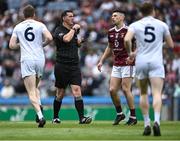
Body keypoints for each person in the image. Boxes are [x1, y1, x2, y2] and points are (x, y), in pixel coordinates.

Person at [124, 2, 174, 136]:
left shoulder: (135, 25)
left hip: (141, 62)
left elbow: (127, 40)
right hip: (156, 62)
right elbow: (170, 45)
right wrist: (158, 44)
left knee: (143, 93)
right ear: (153, 11)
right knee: (157, 93)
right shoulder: (162, 24)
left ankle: (146, 123)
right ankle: (157, 121)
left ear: (141, 12)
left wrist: (130, 53)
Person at [9, 4, 53, 128]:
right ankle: (39, 106)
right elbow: (50, 37)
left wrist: (22, 44)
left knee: (31, 92)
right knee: (35, 87)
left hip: (27, 60)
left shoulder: (18, 27)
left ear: (23, 15)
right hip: (40, 59)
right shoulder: (40, 25)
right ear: (34, 14)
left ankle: (40, 116)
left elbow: (11, 45)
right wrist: (42, 44)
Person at [97, 10, 137, 126]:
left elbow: (138, 45)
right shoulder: (110, 32)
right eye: (112, 16)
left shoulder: (129, 30)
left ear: (122, 17)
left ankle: (133, 116)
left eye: (115, 16)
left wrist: (133, 55)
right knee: (112, 90)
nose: (112, 17)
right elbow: (109, 47)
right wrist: (101, 61)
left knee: (125, 89)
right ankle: (120, 114)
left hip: (127, 63)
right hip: (117, 63)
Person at [52, 10, 92, 124]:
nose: (72, 18)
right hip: (62, 65)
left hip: (74, 65)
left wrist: (80, 41)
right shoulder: (58, 30)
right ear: (63, 18)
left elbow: (75, 44)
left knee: (77, 91)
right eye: (70, 16)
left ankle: (81, 118)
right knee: (60, 93)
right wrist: (74, 30)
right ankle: (55, 117)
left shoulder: (72, 31)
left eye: (73, 16)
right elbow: (66, 39)